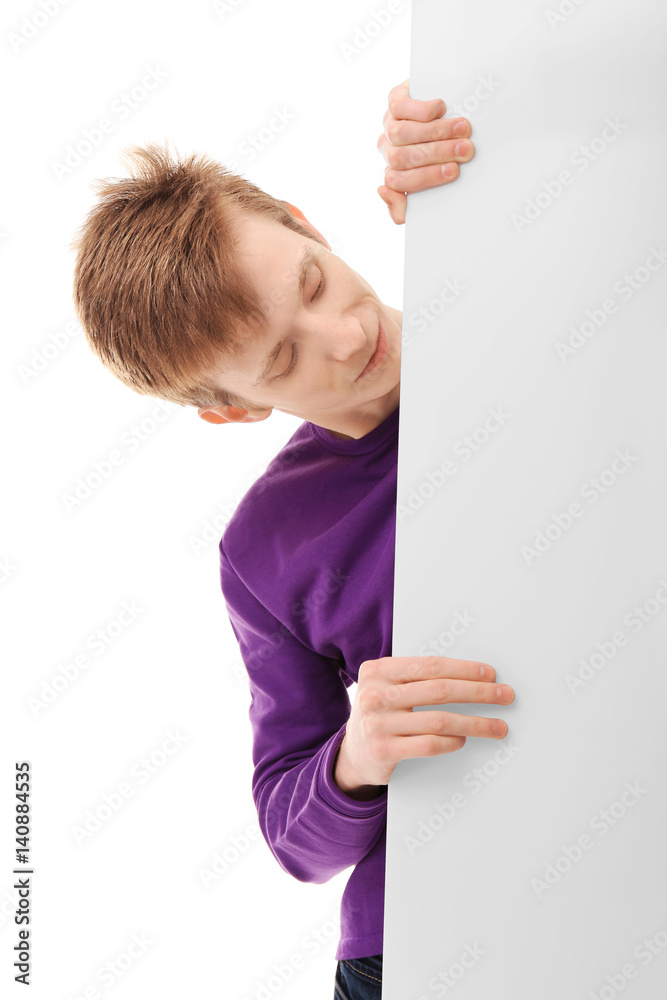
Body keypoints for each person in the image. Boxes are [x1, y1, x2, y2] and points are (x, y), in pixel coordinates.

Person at [70, 79, 515, 999]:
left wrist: (484, 138)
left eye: (311, 282)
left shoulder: (513, 295)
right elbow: (292, 836)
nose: (345, 334)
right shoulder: (263, 550)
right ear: (234, 410)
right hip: (421, 944)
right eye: (283, 358)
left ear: (307, 224)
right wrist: (358, 757)